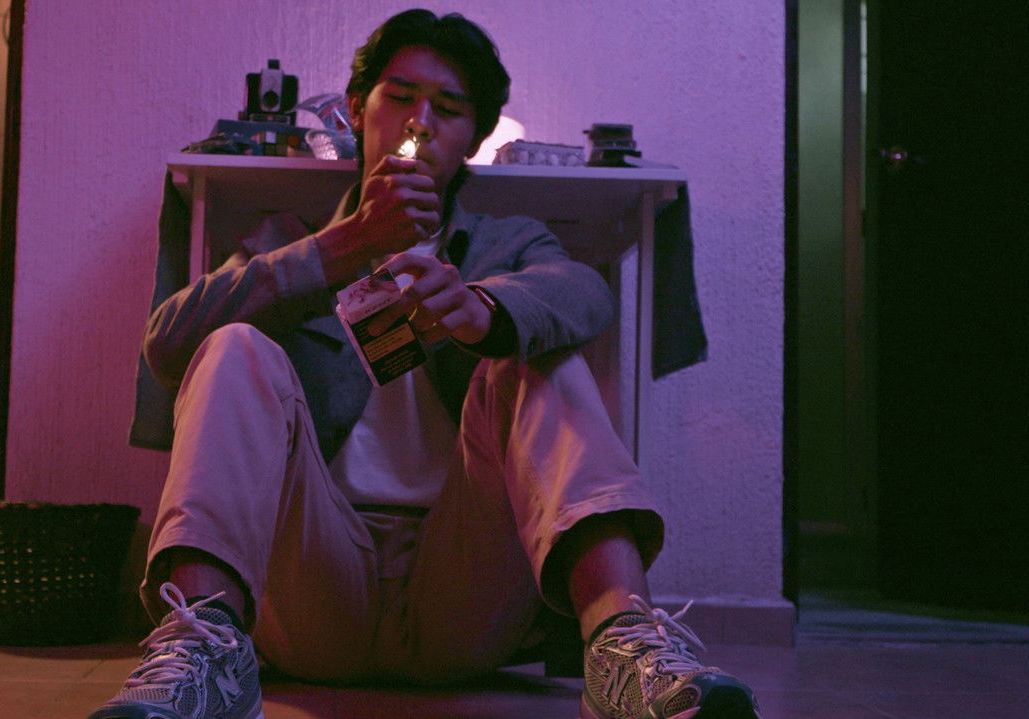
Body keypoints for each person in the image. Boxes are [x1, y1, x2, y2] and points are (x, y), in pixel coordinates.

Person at [91, 9, 759, 719]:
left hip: (463, 583)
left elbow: (585, 294)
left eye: (449, 107)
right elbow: (170, 343)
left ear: (474, 136)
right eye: (401, 96)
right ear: (357, 110)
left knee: (533, 349)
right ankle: (204, 656)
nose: (421, 121)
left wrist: (484, 311)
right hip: (316, 581)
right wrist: (344, 246)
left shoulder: (508, 243)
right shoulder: (288, 242)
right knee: (233, 344)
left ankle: (626, 647)